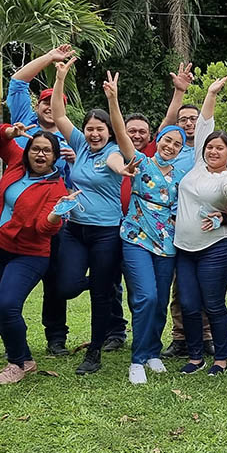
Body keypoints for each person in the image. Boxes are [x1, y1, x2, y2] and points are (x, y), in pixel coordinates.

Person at [49, 57, 140, 376]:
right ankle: (100, 282)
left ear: (108, 132)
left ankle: (94, 352)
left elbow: (117, 161)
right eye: (90, 129)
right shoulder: (80, 144)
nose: (94, 134)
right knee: (65, 286)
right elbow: (59, 114)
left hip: (106, 233)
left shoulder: (113, 152)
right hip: (75, 230)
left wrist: (123, 169)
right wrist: (60, 78)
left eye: (100, 129)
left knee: (101, 297)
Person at [6, 44, 97, 357]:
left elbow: (82, 182)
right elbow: (17, 82)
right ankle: (8, 331)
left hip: (54, 219)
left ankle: (56, 337)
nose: (48, 107)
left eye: (54, 103)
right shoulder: (24, 121)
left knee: (56, 282)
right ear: (37, 105)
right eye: (44, 102)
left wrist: (74, 161)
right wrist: (50, 58)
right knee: (10, 284)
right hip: (17, 217)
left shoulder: (71, 137)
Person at [106, 72, 190, 384]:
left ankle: (154, 351)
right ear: (159, 141)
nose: (170, 146)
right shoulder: (140, 162)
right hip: (136, 238)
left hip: (168, 244)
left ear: (181, 149)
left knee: (160, 300)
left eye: (177, 143)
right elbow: (120, 133)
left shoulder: (181, 177)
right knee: (146, 297)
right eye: (167, 140)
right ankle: (138, 359)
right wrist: (113, 99)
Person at [174, 76, 227, 376]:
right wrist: (210, 93)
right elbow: (205, 123)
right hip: (184, 248)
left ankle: (221, 358)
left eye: (220, 148)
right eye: (210, 147)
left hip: (216, 248)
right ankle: (195, 357)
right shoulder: (197, 164)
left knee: (213, 304)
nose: (213, 151)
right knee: (189, 304)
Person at [0, 123, 72, 384]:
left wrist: (55, 215)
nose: (40, 154)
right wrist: (9, 132)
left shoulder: (56, 188)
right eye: (35, 149)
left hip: (30, 254)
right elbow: (1, 141)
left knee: (7, 305)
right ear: (27, 151)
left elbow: (42, 229)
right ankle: (25, 358)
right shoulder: (17, 163)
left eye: (47, 151)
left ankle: (16, 364)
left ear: (55, 157)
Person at [157, 62, 209, 358]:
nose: (189, 123)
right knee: (179, 284)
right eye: (184, 119)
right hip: (170, 223)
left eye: (193, 119)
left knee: (204, 283)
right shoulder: (171, 147)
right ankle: (179, 337)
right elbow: (166, 126)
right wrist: (179, 92)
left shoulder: (206, 148)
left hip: (200, 222)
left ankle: (206, 335)